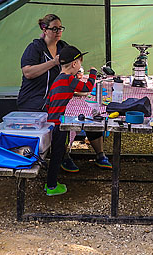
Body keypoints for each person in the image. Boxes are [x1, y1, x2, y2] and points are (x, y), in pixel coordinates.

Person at [18, 14, 110, 174]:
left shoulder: (63, 46)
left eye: (60, 28)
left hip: (58, 96)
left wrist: (77, 72)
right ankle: (63, 155)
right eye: (54, 28)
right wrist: (53, 62)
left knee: (88, 112)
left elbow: (73, 66)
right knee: (61, 118)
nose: (58, 31)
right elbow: (28, 73)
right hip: (36, 99)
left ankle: (100, 154)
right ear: (44, 29)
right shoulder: (35, 48)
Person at [44, 45, 113, 196]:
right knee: (56, 155)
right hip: (59, 124)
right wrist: (93, 73)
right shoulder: (69, 79)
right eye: (81, 63)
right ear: (75, 64)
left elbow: (49, 101)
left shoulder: (59, 78)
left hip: (52, 121)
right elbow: (88, 87)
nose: (81, 66)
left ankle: (51, 183)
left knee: (56, 153)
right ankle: (51, 186)